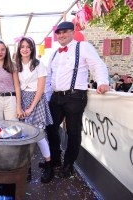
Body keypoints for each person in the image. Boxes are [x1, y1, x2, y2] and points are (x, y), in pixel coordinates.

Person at [45, 21, 110, 178]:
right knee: (50, 127)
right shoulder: (54, 53)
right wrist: (47, 98)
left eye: (65, 31)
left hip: (75, 96)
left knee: (73, 131)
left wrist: (102, 82)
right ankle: (55, 159)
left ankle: (69, 164)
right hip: (55, 97)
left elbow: (97, 65)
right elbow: (48, 77)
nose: (61, 35)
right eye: (59, 33)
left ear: (73, 32)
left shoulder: (83, 47)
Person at [15, 36, 54, 183]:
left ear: (32, 48)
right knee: (24, 136)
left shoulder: (39, 64)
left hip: (36, 101)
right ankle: (27, 168)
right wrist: (19, 105)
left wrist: (31, 107)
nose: (25, 49)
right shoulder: (16, 65)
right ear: (19, 49)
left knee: (39, 136)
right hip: (22, 99)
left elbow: (41, 88)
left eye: (28, 46)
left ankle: (49, 165)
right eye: (22, 46)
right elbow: (16, 86)